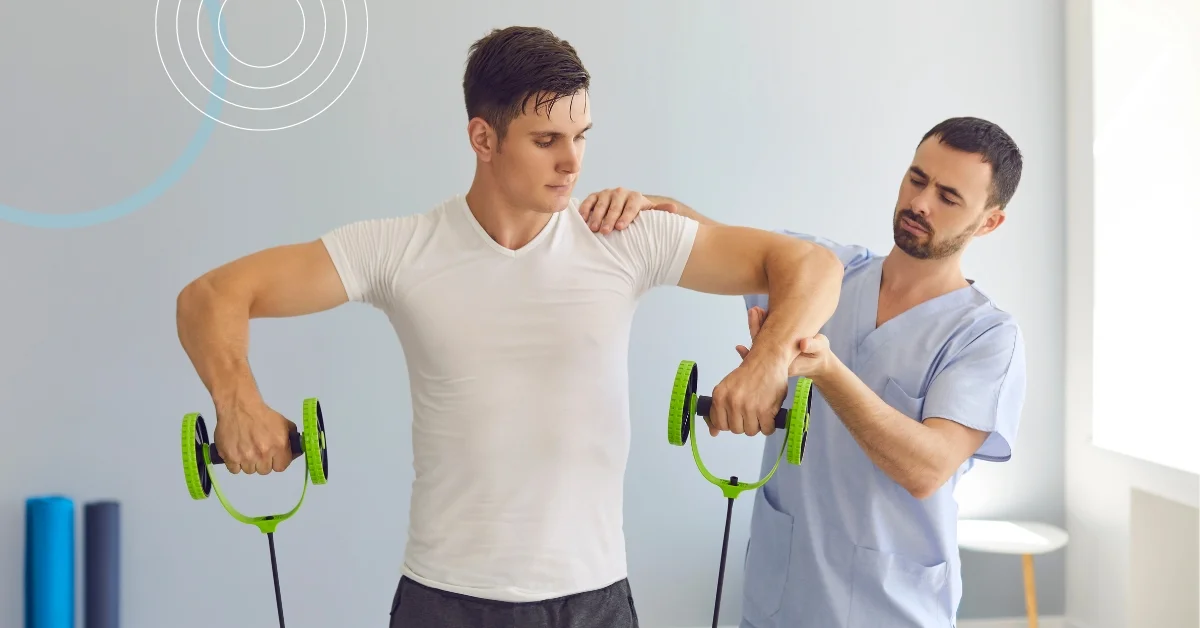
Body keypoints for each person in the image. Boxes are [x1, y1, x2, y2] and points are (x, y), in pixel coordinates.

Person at [174, 25, 845, 628]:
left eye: (581, 137)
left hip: (593, 598)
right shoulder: (401, 249)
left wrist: (767, 365)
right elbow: (211, 296)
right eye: (547, 140)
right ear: (482, 138)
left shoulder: (621, 237)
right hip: (444, 598)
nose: (573, 162)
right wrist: (238, 401)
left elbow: (811, 267)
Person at [580, 116, 1028, 626]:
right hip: (780, 598)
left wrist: (826, 370)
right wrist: (648, 208)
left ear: (988, 222)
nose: (920, 203)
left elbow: (927, 469)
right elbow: (706, 237)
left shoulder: (986, 337)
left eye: (949, 197)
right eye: (916, 178)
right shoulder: (828, 271)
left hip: (891, 608)